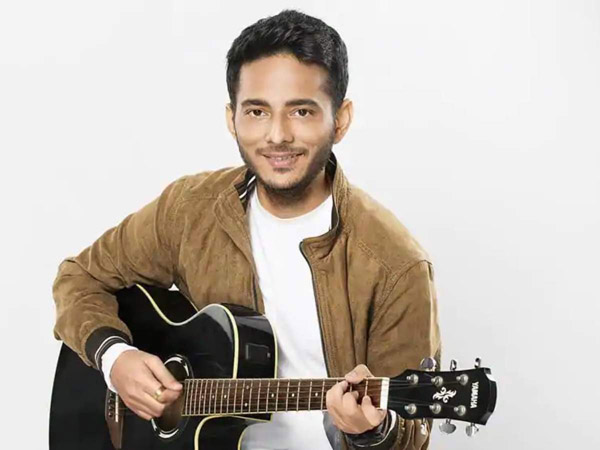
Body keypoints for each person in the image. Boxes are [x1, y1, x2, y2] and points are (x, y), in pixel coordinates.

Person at [52, 9, 441, 450]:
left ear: (341, 119)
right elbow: (79, 277)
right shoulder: (189, 209)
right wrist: (116, 358)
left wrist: (372, 431)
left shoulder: (396, 264)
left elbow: (412, 435)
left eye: (301, 111)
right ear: (231, 118)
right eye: (257, 111)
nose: (277, 135)